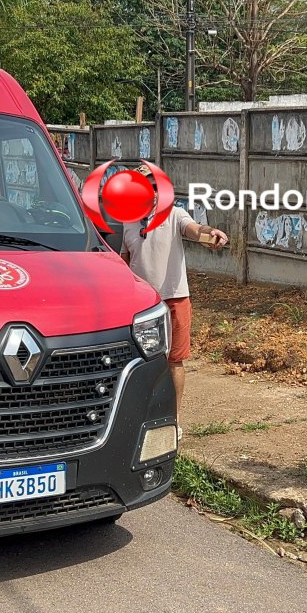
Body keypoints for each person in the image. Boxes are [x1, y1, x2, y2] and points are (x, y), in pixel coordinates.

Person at [120, 165, 229, 437]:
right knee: (140, 363)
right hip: (141, 306)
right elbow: (124, 260)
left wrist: (211, 236)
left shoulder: (174, 214)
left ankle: (174, 419)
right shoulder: (129, 222)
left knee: (174, 361)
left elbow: (195, 230)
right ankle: (140, 418)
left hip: (175, 299)